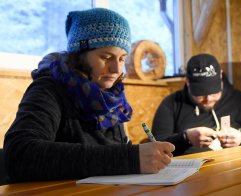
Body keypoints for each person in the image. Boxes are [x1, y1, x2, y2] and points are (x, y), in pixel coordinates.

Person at [3, 8, 175, 183]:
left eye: (122, 58)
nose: (116, 69)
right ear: (79, 56)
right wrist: (130, 158)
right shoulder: (49, 88)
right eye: (106, 57)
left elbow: (116, 151)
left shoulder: (111, 96)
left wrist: (145, 156)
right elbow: (19, 155)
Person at [152, 53, 241, 156]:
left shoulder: (239, 101)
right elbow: (154, 145)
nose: (208, 99)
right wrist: (185, 138)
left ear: (220, 76)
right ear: (187, 81)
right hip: (187, 172)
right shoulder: (172, 103)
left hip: (232, 169)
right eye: (200, 95)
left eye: (215, 92)